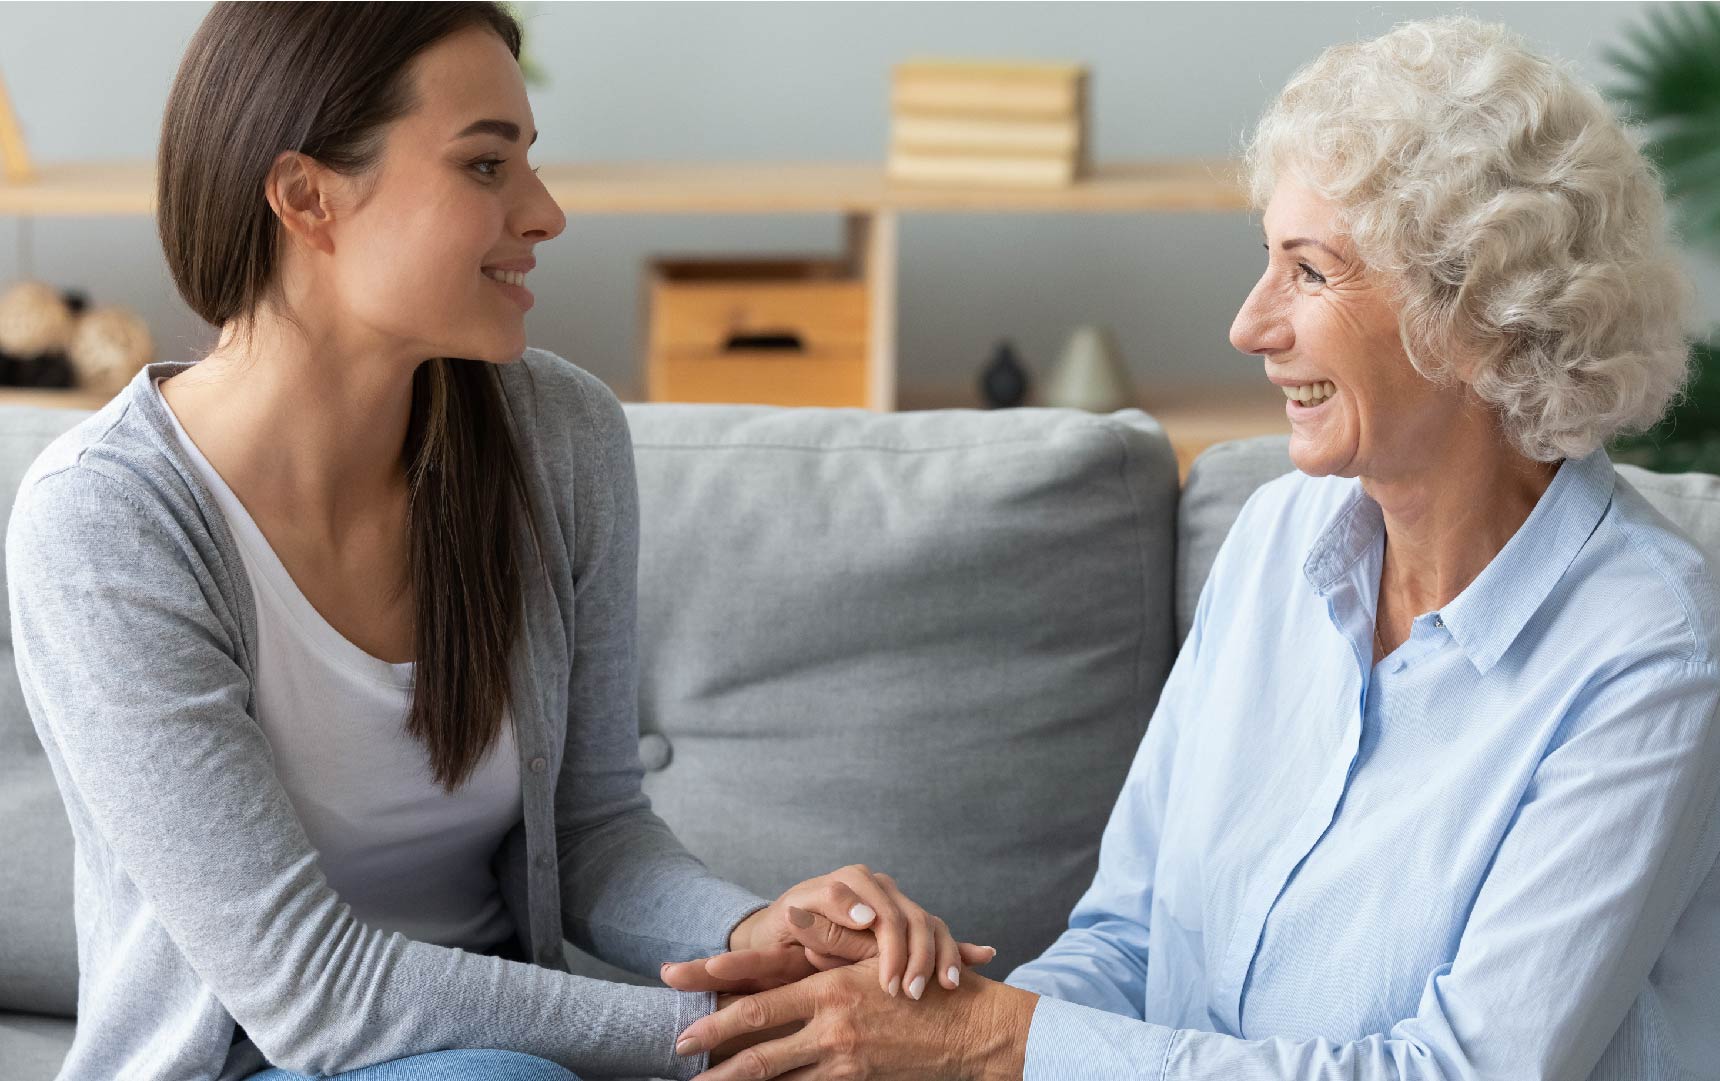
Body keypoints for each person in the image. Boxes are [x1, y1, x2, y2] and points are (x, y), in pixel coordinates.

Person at [660, 15, 1720, 1080]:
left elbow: (1462, 1070)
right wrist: (928, 1030)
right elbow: (1132, 941)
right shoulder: (1276, 545)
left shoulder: (1651, 648)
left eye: (1309, 270)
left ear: (1479, 311)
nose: (1250, 325)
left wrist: (998, 1046)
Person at [3, 6, 985, 1081]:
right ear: (306, 198)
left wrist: (761, 938)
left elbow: (598, 830)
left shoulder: (557, 437)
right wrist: (761, 1031)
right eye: (484, 165)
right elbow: (310, 992)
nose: (547, 212)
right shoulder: (107, 521)